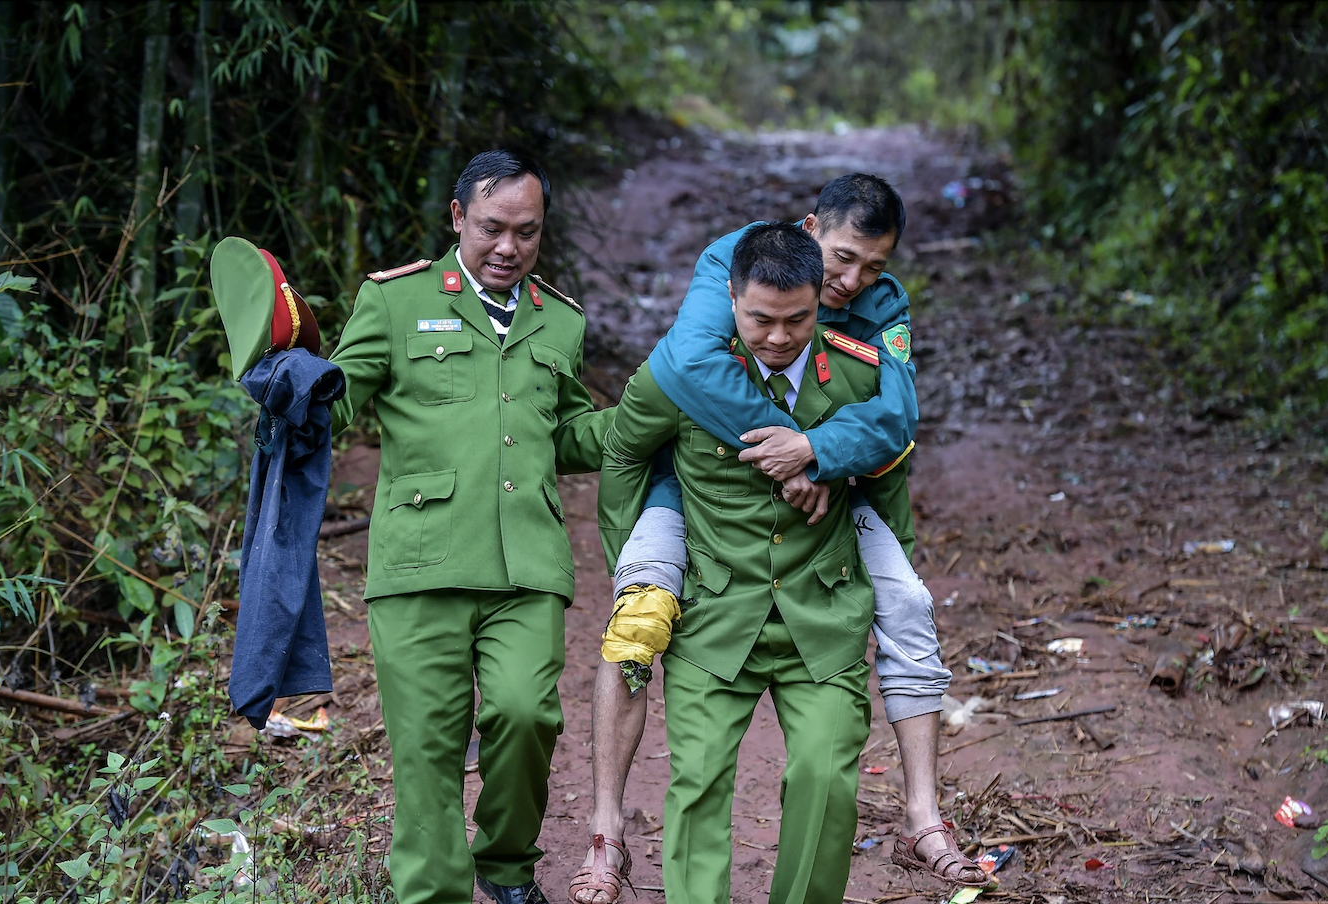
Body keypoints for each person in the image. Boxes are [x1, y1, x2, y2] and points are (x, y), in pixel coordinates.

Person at [572, 175, 984, 903]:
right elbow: (649, 421)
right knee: (644, 645)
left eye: (872, 267)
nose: (849, 283)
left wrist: (821, 452)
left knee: (867, 692)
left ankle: (924, 814)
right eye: (842, 260)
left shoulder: (877, 313)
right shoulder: (720, 278)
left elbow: (893, 428)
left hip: (823, 571)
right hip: (709, 553)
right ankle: (605, 833)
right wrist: (783, 449)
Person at [328, 150, 609, 904]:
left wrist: (645, 424)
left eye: (527, 232)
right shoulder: (393, 302)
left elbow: (570, 432)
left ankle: (507, 863)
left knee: (525, 714)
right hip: (422, 559)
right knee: (427, 746)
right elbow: (340, 396)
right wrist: (297, 386)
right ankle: (433, 892)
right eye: (492, 229)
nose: (508, 248)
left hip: (526, 563)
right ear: (458, 218)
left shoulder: (560, 319)